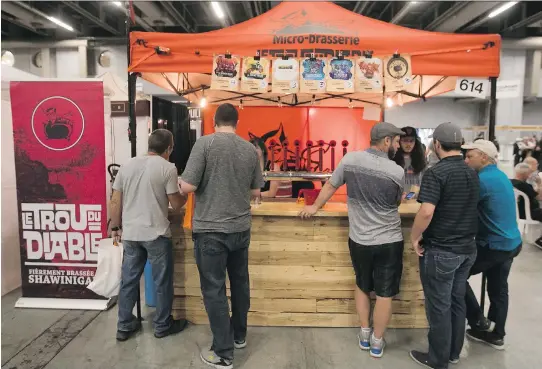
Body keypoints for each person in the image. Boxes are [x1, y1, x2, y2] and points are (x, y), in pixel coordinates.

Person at [300, 122, 406, 359]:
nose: (398, 145)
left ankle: (365, 334)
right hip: (389, 240)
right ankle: (378, 343)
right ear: (386, 141)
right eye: (396, 141)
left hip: (359, 239)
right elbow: (396, 203)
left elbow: (330, 185)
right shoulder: (396, 172)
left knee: (362, 285)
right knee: (385, 293)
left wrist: (315, 207)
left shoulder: (350, 160)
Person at [179, 103, 264, 369]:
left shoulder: (205, 144)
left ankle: (224, 353)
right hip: (240, 229)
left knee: (214, 290)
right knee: (240, 284)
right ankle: (238, 336)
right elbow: (256, 190)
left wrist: (181, 183)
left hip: (211, 231)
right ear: (237, 123)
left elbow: (189, 185)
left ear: (214, 120)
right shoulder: (251, 149)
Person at [409, 122, 479, 369]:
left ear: (436, 144)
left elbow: (426, 212)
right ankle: (453, 353)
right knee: (457, 301)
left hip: (442, 250)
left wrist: (414, 236)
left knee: (439, 306)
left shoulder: (436, 173)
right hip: (467, 249)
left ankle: (437, 359)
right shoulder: (472, 171)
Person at [111, 129, 188, 341]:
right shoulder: (168, 168)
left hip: (131, 234)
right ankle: (162, 325)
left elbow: (116, 200)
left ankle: (124, 326)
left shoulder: (127, 165)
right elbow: (176, 203)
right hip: (156, 234)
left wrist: (115, 227)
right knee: (162, 281)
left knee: (128, 281)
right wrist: (186, 195)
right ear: (169, 148)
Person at [462, 140, 522, 350]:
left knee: (456, 275)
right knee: (498, 289)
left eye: (470, 157)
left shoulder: (482, 181)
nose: (466, 160)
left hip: (495, 245)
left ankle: (478, 320)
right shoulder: (500, 175)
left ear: (484, 157)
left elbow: (460, 208)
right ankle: (497, 334)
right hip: (511, 242)